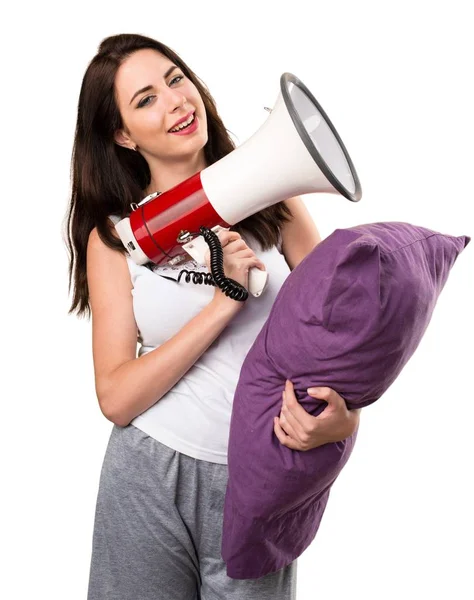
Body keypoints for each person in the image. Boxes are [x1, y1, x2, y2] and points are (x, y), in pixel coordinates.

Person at [64, 33, 361, 600]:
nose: (176, 100)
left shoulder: (276, 201)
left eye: (177, 79)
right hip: (149, 472)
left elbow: (341, 336)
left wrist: (345, 424)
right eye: (145, 98)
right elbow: (117, 396)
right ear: (122, 135)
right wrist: (226, 300)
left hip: (261, 477)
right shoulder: (117, 239)